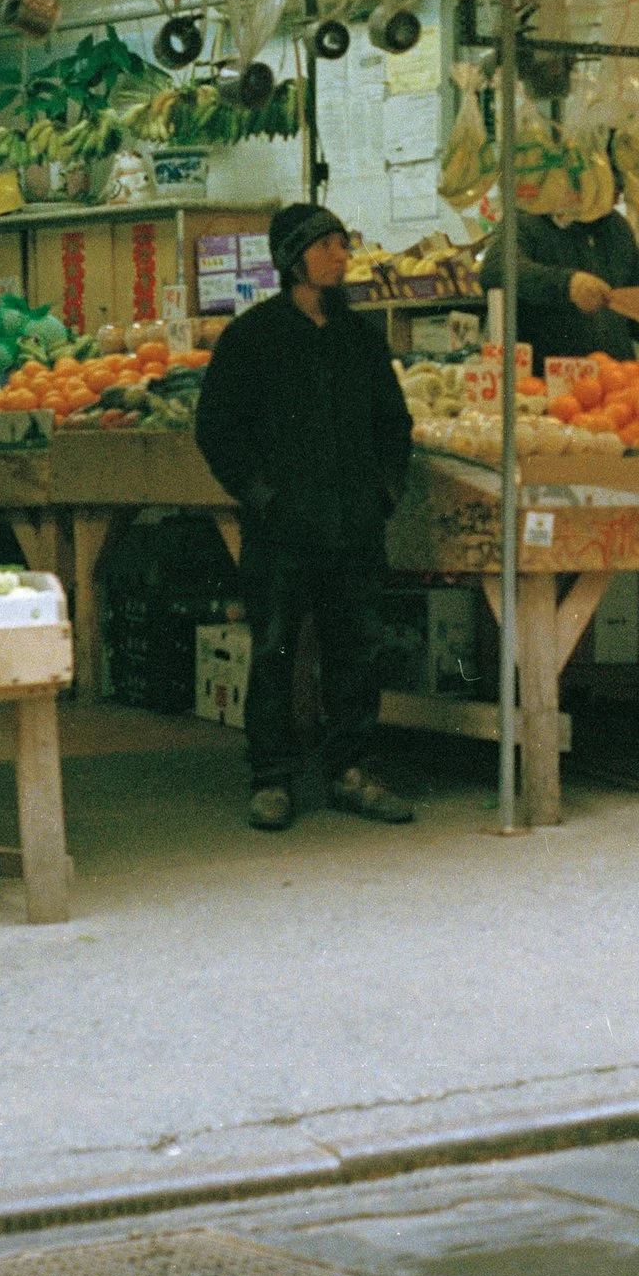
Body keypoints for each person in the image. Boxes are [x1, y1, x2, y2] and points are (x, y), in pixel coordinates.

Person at [194, 204, 414, 832]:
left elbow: (394, 424)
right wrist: (262, 497)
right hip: (282, 532)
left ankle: (349, 770)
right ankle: (271, 778)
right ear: (293, 258)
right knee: (273, 653)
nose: (341, 256)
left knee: (356, 651)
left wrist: (386, 493)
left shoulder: (360, 337)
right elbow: (217, 430)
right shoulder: (252, 337)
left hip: (355, 528)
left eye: (344, 244)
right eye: (327, 247)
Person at [482, 206, 639, 366]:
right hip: (552, 389)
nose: (615, 191)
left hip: (618, 388)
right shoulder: (527, 219)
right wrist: (567, 284)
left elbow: (635, 311)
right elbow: (495, 270)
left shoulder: (617, 227)